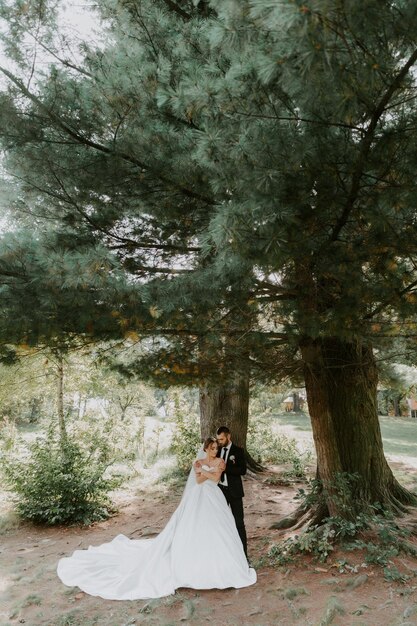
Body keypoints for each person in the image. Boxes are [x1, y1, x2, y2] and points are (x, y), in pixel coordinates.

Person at [57, 436, 256, 600]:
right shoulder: (200, 462)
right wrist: (206, 473)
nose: (215, 451)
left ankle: (222, 565)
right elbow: (198, 480)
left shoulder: (217, 462)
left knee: (219, 530)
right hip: (198, 500)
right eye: (212, 448)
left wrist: (206, 472)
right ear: (205, 448)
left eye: (216, 448)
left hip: (215, 499)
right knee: (192, 528)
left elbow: (215, 479)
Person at [216, 426, 248, 558]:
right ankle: (224, 554)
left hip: (234, 492)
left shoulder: (238, 451)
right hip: (220, 492)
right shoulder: (216, 450)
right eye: (218, 439)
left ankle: (244, 554)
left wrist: (225, 468)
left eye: (222, 439)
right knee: (221, 522)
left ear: (229, 437)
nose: (219, 442)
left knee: (239, 523)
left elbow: (242, 470)